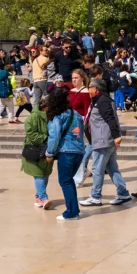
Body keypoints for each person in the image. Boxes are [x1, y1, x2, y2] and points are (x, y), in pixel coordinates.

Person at [79, 78, 132, 207]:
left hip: (103, 141)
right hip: (104, 141)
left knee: (97, 169)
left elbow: (110, 119)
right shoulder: (101, 100)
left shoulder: (102, 101)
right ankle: (123, 193)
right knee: (112, 168)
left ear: (97, 89)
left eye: (90, 87)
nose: (88, 89)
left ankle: (95, 196)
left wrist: (116, 136)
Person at [44, 87, 86, 221]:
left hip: (66, 151)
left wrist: (49, 153)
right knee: (69, 181)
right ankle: (74, 209)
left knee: (65, 181)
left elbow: (54, 135)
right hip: (79, 151)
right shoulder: (76, 114)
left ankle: (71, 212)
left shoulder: (57, 116)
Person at [22, 96, 54, 210]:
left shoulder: (52, 116)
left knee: (45, 174)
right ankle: (43, 198)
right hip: (34, 151)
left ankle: (38, 197)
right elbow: (31, 133)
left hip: (47, 150)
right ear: (45, 106)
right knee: (39, 175)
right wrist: (46, 138)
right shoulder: (33, 117)